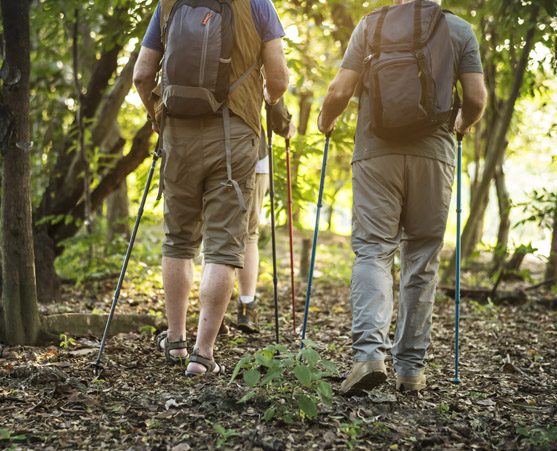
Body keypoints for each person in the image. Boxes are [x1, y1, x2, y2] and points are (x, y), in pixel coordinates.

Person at [317, 0, 486, 394]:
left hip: (377, 152)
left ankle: (368, 356)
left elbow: (340, 89)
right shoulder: (458, 30)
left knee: (374, 250)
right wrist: (459, 127)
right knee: (422, 257)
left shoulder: (370, 26)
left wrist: (326, 122)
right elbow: (476, 99)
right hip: (435, 154)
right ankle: (410, 370)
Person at [133, 0, 289, 376]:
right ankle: (202, 355)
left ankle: (174, 341)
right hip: (235, 134)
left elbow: (141, 75)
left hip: (178, 132)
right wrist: (265, 103)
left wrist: (157, 117)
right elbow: (279, 78)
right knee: (222, 244)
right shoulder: (257, 5)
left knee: (178, 239)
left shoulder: (169, 4)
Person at [235, 98, 296, 333]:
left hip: (200, 151)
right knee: (248, 234)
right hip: (250, 154)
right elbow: (275, 103)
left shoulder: (191, 58)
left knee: (213, 231)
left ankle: (210, 315)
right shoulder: (254, 58)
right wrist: (286, 127)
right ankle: (246, 308)